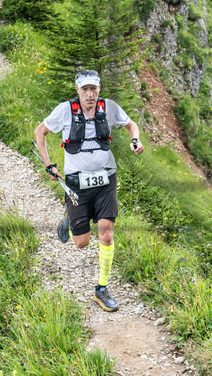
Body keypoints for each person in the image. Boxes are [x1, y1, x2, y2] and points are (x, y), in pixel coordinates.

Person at [33, 69, 143, 311]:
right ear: (78, 91)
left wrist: (135, 140)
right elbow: (39, 132)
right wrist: (48, 164)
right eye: (85, 90)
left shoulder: (109, 108)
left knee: (106, 234)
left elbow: (131, 124)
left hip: (106, 179)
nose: (90, 94)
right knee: (81, 243)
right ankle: (70, 220)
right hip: (76, 182)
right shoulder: (64, 110)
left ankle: (101, 289)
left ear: (99, 89)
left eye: (94, 89)